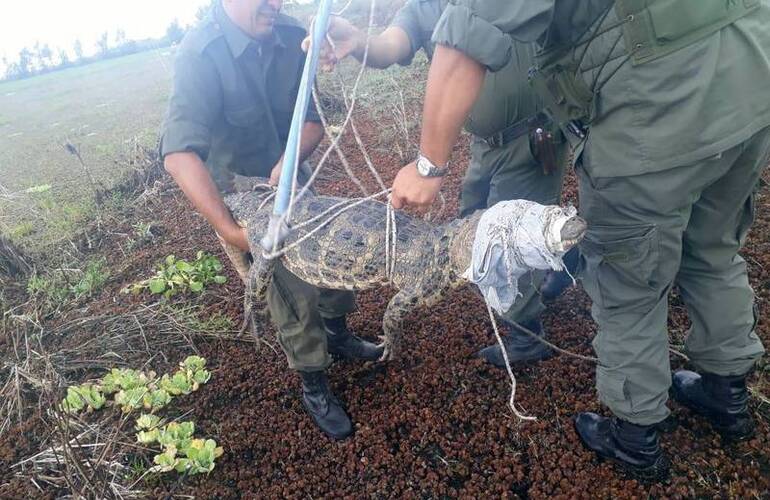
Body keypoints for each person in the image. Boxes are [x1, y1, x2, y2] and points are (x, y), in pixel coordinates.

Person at [388, 0, 770, 481]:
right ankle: (727, 394)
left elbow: (469, 34)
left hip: (658, 108)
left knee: (627, 279)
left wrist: (428, 165)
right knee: (713, 250)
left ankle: (636, 439)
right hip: (751, 80)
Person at [159, 0, 383, 441]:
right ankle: (314, 382)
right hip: (248, 198)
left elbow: (315, 120)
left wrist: (289, 159)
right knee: (292, 288)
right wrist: (228, 229)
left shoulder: (291, 34)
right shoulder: (200, 54)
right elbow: (179, 155)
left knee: (335, 259)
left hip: (293, 180)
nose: (275, 3)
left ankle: (337, 333)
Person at [312, 0, 579, 369]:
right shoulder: (426, 5)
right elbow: (391, 45)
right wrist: (357, 41)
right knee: (471, 219)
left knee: (503, 245)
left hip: (532, 138)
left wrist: (427, 167)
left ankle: (526, 336)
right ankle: (567, 257)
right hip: (485, 144)